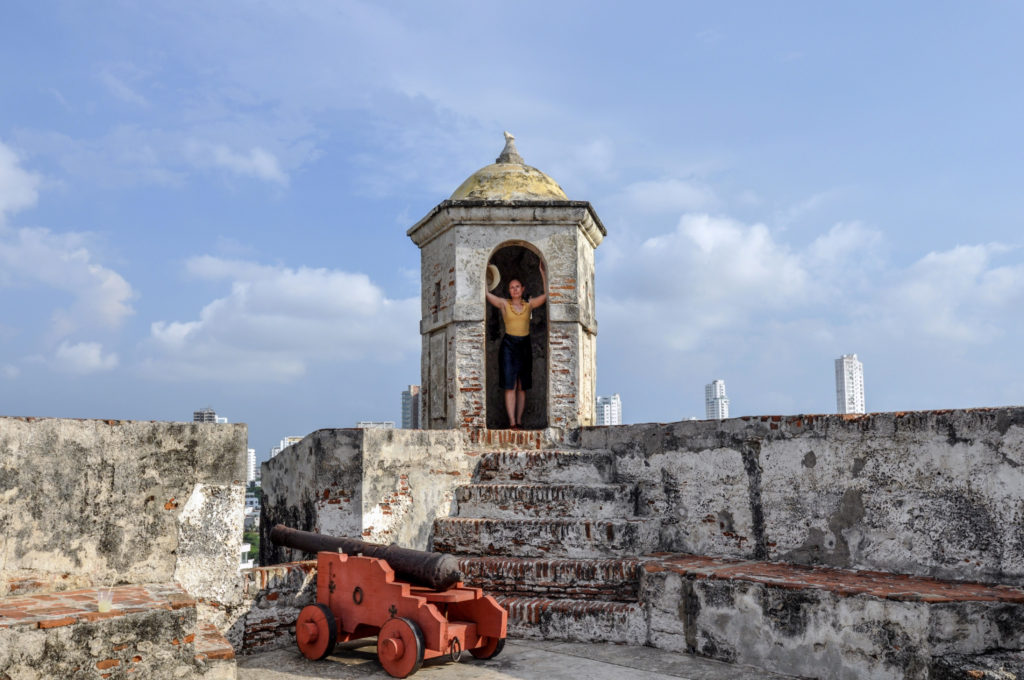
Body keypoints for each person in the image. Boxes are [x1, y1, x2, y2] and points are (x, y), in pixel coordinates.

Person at [485, 261, 547, 429]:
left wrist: (542, 272)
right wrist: (486, 271)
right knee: (510, 385)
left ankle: (519, 420)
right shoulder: (504, 304)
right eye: (512, 287)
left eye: (517, 286)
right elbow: (486, 294)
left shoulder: (529, 305)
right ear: (509, 290)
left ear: (523, 289)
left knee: (522, 386)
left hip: (525, 345)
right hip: (509, 346)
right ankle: (512, 422)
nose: (514, 289)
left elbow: (548, 295)